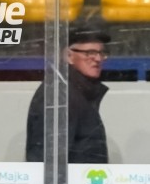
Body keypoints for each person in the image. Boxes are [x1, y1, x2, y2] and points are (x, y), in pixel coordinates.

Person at [26, 25, 111, 164]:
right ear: (68, 56)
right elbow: (47, 159)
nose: (98, 58)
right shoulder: (60, 96)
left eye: (101, 53)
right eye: (90, 53)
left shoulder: (77, 92)